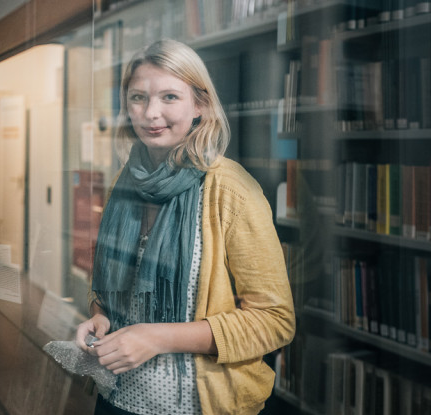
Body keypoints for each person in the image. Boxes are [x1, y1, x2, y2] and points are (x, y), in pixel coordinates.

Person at [75, 39, 295, 415]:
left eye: (170, 97)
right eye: (138, 98)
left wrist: (158, 338)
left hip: (195, 406)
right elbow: (117, 290)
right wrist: (100, 316)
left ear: (200, 106)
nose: (150, 113)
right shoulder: (124, 183)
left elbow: (274, 322)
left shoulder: (231, 190)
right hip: (115, 398)